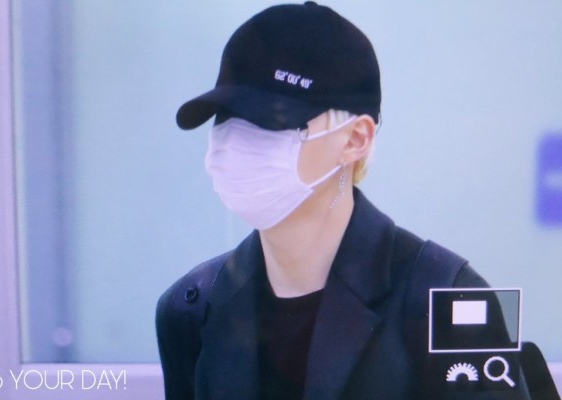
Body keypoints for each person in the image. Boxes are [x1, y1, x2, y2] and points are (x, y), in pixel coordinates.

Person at [156, 3, 531, 399]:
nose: (238, 141)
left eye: (269, 118)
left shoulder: (442, 300)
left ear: (355, 139)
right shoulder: (191, 309)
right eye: (226, 117)